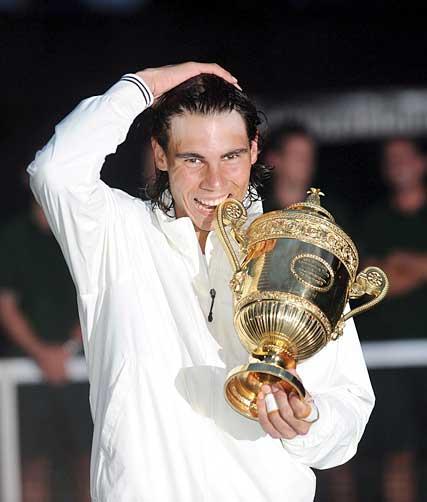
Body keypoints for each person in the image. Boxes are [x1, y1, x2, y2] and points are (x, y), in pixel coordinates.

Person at [27, 62, 374, 502]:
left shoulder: (298, 252)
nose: (214, 181)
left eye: (230, 156)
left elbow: (348, 406)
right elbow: (54, 171)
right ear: (160, 154)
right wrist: (149, 84)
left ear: (254, 150)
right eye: (193, 159)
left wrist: (308, 422)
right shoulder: (114, 232)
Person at [0, 197, 93, 502]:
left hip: (80, 367)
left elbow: (97, 296)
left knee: (90, 463)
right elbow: (5, 304)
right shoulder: (12, 237)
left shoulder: (82, 232)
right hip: (24, 370)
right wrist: (41, 354)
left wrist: (68, 349)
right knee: (31, 464)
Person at [355, 137, 427, 502]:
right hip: (388, 358)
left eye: (404, 156)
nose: (397, 164)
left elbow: (390, 272)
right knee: (398, 456)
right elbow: (376, 282)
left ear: (421, 162)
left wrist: (403, 262)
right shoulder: (373, 220)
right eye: (390, 158)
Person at [262, 121, 350, 231]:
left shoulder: (328, 216)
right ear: (273, 160)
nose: (306, 162)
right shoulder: (257, 211)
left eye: (310, 155)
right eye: (297, 155)